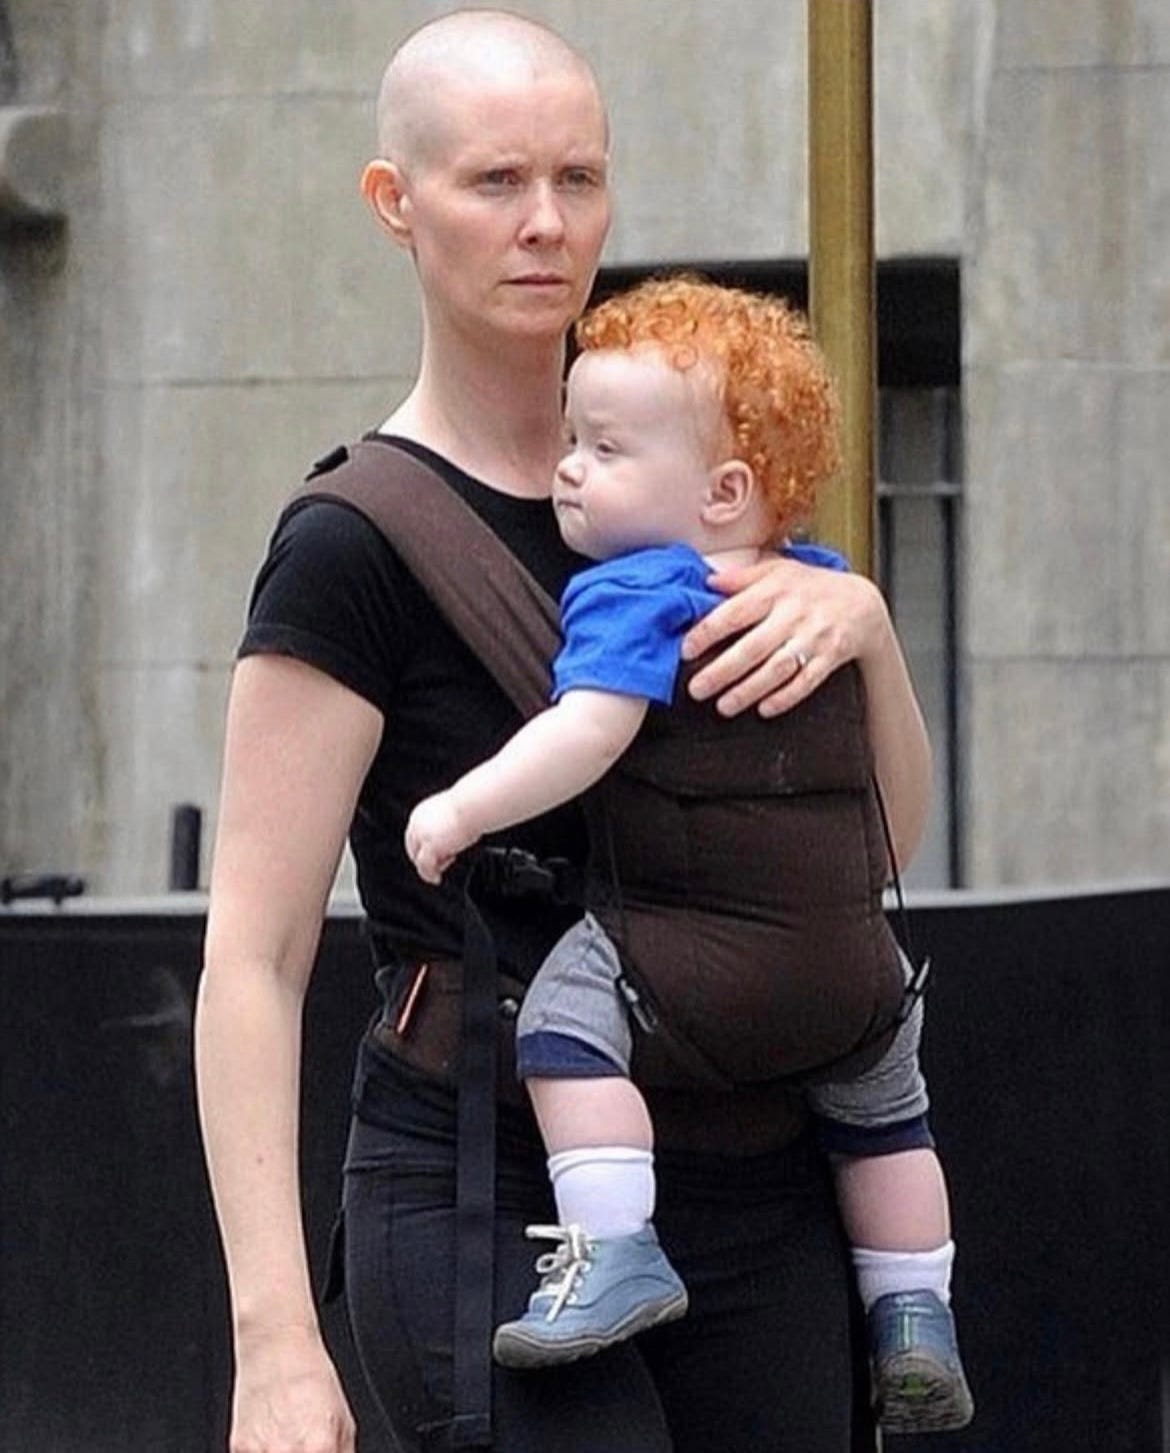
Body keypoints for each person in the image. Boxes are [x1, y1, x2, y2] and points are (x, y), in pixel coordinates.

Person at [194, 10, 938, 1453]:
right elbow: (255, 956)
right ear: (395, 202)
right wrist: (272, 1336)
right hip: (478, 1175)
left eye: (578, 178)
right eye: (496, 181)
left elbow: (875, 851)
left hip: (753, 1166)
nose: (546, 222)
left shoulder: (711, 494)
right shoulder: (354, 540)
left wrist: (867, 634)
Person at [404, 275, 973, 1435]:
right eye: (573, 439)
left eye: (605, 449)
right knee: (886, 1118)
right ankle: (915, 1310)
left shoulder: (636, 590)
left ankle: (612, 1245)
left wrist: (463, 807)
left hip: (693, 970)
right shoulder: (824, 594)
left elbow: (586, 733)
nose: (569, 468)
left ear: (724, 492)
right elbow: (887, 828)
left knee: (561, 1025)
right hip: (853, 977)